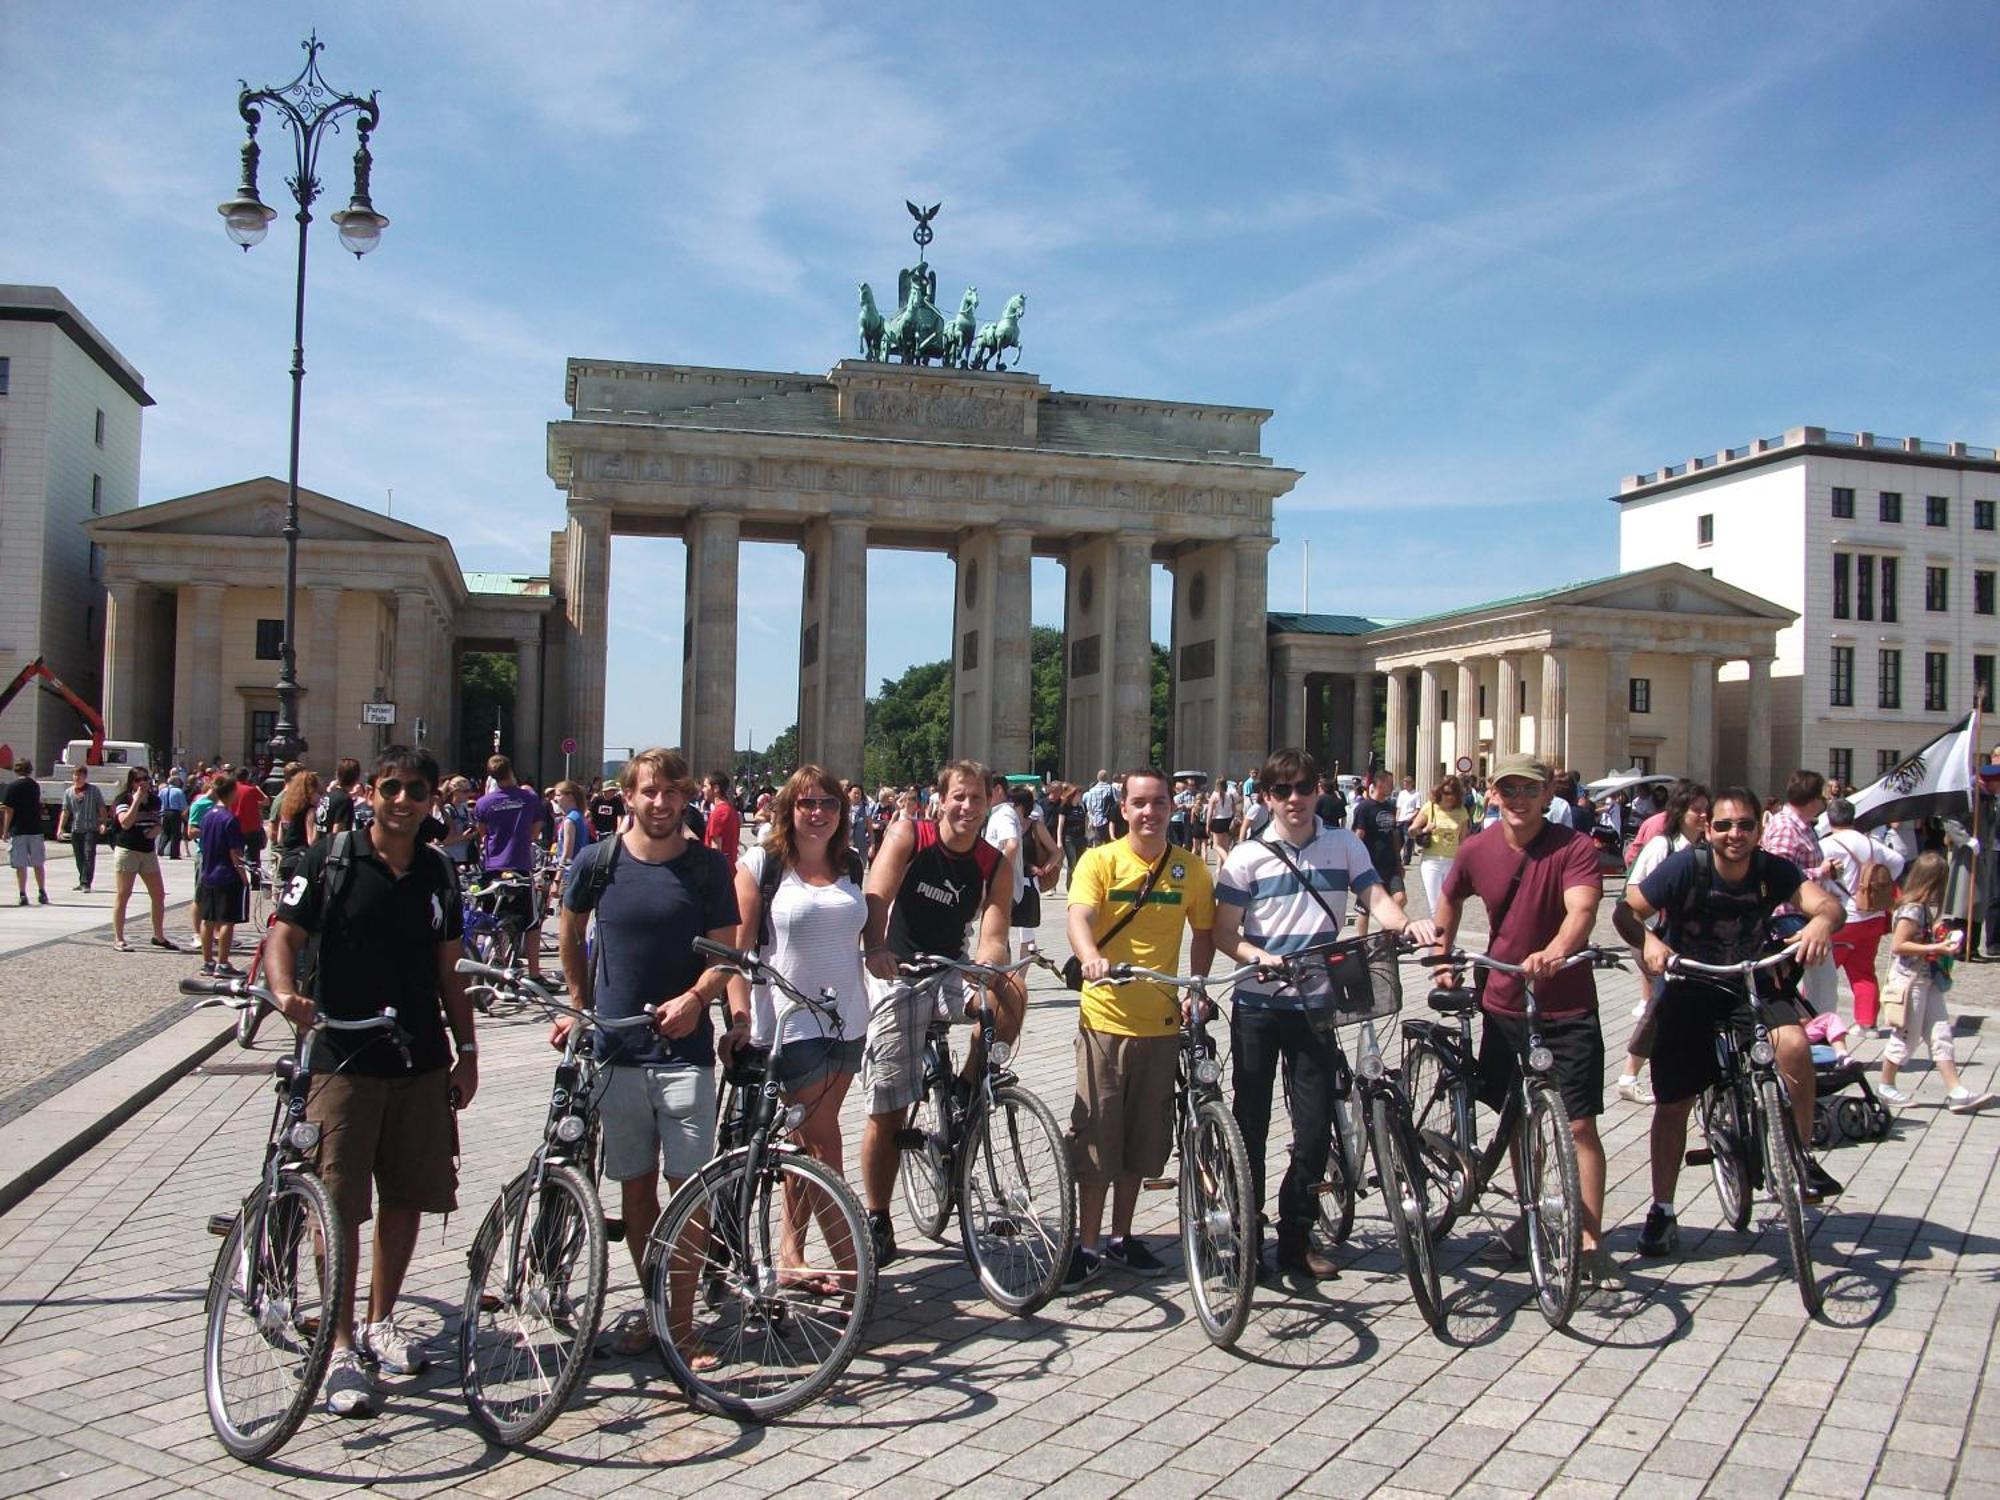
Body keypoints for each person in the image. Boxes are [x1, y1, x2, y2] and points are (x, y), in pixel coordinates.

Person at [266, 745, 477, 1417]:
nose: (403, 800)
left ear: (430, 799)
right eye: (391, 787)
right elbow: (283, 937)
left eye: (416, 789)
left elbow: (451, 970)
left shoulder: (440, 872)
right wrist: (282, 993)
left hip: (418, 1056)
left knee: (406, 1196)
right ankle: (339, 1340)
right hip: (342, 1054)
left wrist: (466, 1047)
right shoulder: (328, 860)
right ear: (372, 792)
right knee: (339, 1203)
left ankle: (382, 1320)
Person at [1213, 749, 1435, 1281]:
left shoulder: (1343, 844)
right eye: (1283, 790)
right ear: (1266, 797)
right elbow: (1224, 933)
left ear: (1319, 791)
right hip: (1260, 1005)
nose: (1294, 799)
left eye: (1304, 788)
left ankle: (1296, 1235)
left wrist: (1406, 925)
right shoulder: (1246, 857)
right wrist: (1255, 956)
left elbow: (1374, 896)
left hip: (1317, 1005)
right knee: (1251, 1125)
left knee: (1314, 1129)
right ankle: (1245, 1235)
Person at [556, 748, 742, 1359]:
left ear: (685, 795)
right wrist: (577, 1002)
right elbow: (569, 925)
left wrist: (696, 998)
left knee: (689, 1189)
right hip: (617, 1048)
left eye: (670, 792)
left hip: (684, 1051)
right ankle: (657, 1306)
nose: (660, 803)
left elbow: (725, 957)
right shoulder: (597, 860)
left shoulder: (708, 868)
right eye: (648, 792)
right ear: (627, 796)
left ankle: (682, 1329)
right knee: (635, 1190)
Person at [1616, 785, 1846, 1259]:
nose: (1734, 834)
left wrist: (1822, 922)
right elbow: (1625, 910)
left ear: (1760, 829)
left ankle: (1799, 1155)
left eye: (1744, 825)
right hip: (1691, 983)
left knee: (1795, 1048)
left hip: (1751, 981)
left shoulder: (1770, 869)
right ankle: (1662, 1208)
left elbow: (1826, 904)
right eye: (1723, 825)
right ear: (1708, 829)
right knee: (1674, 1100)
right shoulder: (1687, 867)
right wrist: (1649, 943)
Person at [1431, 752, 1618, 1293]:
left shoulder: (1574, 847)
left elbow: (1582, 909)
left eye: (1529, 790)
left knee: (1579, 1122)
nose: (1518, 800)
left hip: (1566, 1001)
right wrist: (1443, 957)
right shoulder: (1476, 849)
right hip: (1505, 1001)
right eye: (1508, 790)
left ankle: (1588, 1238)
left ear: (1547, 796)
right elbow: (1449, 898)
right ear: (1493, 793)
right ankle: (1532, 1213)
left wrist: (1558, 949)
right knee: (1518, 1117)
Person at [858, 759, 1020, 1267]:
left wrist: (989, 968)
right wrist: (876, 949)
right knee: (888, 1107)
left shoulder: (994, 862)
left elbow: (994, 939)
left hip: (949, 969)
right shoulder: (911, 833)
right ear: (940, 798)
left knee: (1012, 990)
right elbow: (877, 895)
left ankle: (972, 1083)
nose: (967, 808)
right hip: (899, 968)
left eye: (976, 798)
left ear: (989, 800)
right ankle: (878, 1216)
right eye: (959, 797)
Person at [1063, 768, 1216, 1287]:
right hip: (1106, 1019)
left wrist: (1196, 983)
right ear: (1122, 809)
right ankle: (1085, 1243)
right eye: (1139, 803)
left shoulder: (1191, 869)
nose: (1149, 812)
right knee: (1098, 1136)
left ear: (1174, 806)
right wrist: (1089, 958)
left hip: (1163, 1021)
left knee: (1143, 1141)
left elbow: (1205, 930)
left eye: (1158, 803)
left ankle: (1122, 1237)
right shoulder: (1099, 861)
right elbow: (1079, 915)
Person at [730, 765, 869, 1288]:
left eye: (829, 804)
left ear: (842, 811)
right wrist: (740, 1016)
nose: (818, 813)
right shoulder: (761, 865)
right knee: (824, 1144)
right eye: (807, 803)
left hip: (848, 1019)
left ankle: (791, 1253)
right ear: (787, 809)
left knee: (806, 1142)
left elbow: (864, 934)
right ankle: (855, 1271)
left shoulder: (851, 862)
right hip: (789, 1024)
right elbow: (738, 953)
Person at [1613, 782, 1710, 1105]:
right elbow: (1632, 895)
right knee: (1660, 1005)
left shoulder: (1703, 846)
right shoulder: (1662, 846)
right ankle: (1629, 1075)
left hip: (1685, 942)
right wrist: (1651, 936)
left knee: (1673, 1006)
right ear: (1681, 812)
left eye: (1707, 809)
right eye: (1697, 809)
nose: (1703, 815)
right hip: (1651, 935)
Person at [1876, 852, 1995, 1111]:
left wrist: (1939, 937)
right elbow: (1899, 945)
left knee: (1941, 1033)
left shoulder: (1920, 908)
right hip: (1911, 981)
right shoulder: (1912, 909)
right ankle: (1885, 1085)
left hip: (1926, 978)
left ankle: (1957, 1091)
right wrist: (1939, 946)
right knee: (1906, 1035)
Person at [1760, 771, 1841, 1019]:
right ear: (1812, 799)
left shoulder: (1801, 826)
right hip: (1788, 919)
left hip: (1803, 915)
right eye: (1821, 797)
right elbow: (1778, 876)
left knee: (1818, 985)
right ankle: (1819, 1038)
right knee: (1820, 985)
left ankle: (1817, 1036)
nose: (1824, 802)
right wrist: (1822, 871)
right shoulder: (1786, 828)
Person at [1820, 796, 1904, 1033]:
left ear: (1829, 818)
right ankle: (1867, 1023)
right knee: (1864, 970)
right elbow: (1897, 862)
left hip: (1843, 917)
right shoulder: (1871, 843)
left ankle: (1816, 1019)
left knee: (1822, 973)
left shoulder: (1827, 845)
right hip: (1872, 915)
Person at [473, 754, 549, 978]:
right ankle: (534, 973)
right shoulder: (529, 798)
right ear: (511, 771)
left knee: (489, 918)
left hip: (492, 865)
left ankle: (486, 962)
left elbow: (482, 832)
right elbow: (535, 833)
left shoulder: (484, 802)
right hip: (518, 864)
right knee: (532, 923)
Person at [108, 768, 175, 953]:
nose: (143, 783)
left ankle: (159, 935)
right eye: (138, 780)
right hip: (128, 850)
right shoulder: (123, 799)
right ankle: (119, 938)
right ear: (132, 782)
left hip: (147, 851)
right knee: (123, 894)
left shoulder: (155, 800)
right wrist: (136, 801)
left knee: (158, 894)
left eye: (146, 779)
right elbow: (125, 823)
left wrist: (156, 830)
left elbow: (158, 822)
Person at [195, 771, 249, 976]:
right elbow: (235, 852)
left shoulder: (208, 816)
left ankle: (207, 961)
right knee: (227, 920)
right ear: (230, 793)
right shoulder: (230, 819)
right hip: (226, 874)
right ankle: (223, 963)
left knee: (208, 920)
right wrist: (243, 875)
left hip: (208, 872)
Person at [1349, 771, 1406, 936]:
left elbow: (1394, 834)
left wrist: (1399, 860)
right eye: (1389, 783)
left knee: (1400, 898)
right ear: (1379, 784)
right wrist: (1354, 863)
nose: (1392, 786)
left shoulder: (1390, 807)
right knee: (1365, 908)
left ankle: (1382, 936)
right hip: (1370, 864)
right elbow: (1358, 835)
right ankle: (1362, 942)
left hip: (1390, 863)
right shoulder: (1364, 808)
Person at [1407, 777, 1471, 919]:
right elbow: (1411, 831)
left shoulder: (1461, 811)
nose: (1448, 797)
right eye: (1446, 792)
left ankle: (1449, 938)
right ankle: (1439, 938)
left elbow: (1464, 840)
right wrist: (1425, 830)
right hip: (1431, 861)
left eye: (1452, 793)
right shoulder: (1429, 807)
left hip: (1452, 861)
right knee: (1435, 905)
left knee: (1450, 902)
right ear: (1439, 791)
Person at [2, 759, 50, 906]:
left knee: (20, 864)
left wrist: (5, 830)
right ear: (29, 770)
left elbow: (9, 810)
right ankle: (42, 891)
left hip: (18, 830)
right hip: (35, 829)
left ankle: (22, 893)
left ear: (16, 770)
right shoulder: (34, 786)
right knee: (38, 863)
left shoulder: (12, 787)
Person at [54, 763, 104, 894]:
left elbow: (101, 808)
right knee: (79, 857)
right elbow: (65, 811)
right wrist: (60, 828)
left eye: (80, 775)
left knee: (88, 855)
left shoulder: (94, 791)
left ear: (85, 777)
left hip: (90, 828)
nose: (77, 778)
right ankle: (82, 879)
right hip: (76, 829)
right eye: (75, 775)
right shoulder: (69, 792)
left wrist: (103, 822)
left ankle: (86, 883)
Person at [273, 767, 319, 886]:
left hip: (286, 860)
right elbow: (311, 841)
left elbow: (280, 839)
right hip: (301, 860)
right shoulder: (310, 811)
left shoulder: (286, 809)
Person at [315, 758, 361, 847]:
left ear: (337, 775)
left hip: (319, 848)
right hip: (331, 852)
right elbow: (338, 832)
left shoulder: (326, 796)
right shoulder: (344, 800)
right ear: (357, 778)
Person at [704, 771, 742, 864]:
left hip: (719, 873)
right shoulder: (730, 810)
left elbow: (716, 852)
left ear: (716, 788)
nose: (703, 790)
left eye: (705, 786)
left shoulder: (718, 813)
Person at [1206, 772, 1241, 858]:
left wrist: (1207, 824)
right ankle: (1219, 869)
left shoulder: (1214, 796)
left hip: (1218, 821)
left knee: (1216, 845)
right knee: (1225, 847)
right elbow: (1234, 810)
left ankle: (1227, 860)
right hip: (1228, 820)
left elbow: (1210, 812)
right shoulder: (1230, 795)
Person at [157, 772, 188, 860]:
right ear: (175, 782)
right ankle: (174, 854)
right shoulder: (178, 791)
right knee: (176, 833)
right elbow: (183, 805)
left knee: (165, 832)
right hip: (175, 813)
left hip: (165, 812)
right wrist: (185, 815)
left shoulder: (162, 790)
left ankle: (160, 849)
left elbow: (158, 802)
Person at [1082, 769, 1116, 848]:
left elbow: (1089, 808)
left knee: (1098, 844)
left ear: (1098, 778)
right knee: (1109, 845)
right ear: (1107, 778)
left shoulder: (1092, 791)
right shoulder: (1110, 788)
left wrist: (1091, 819)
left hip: (1096, 820)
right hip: (1108, 819)